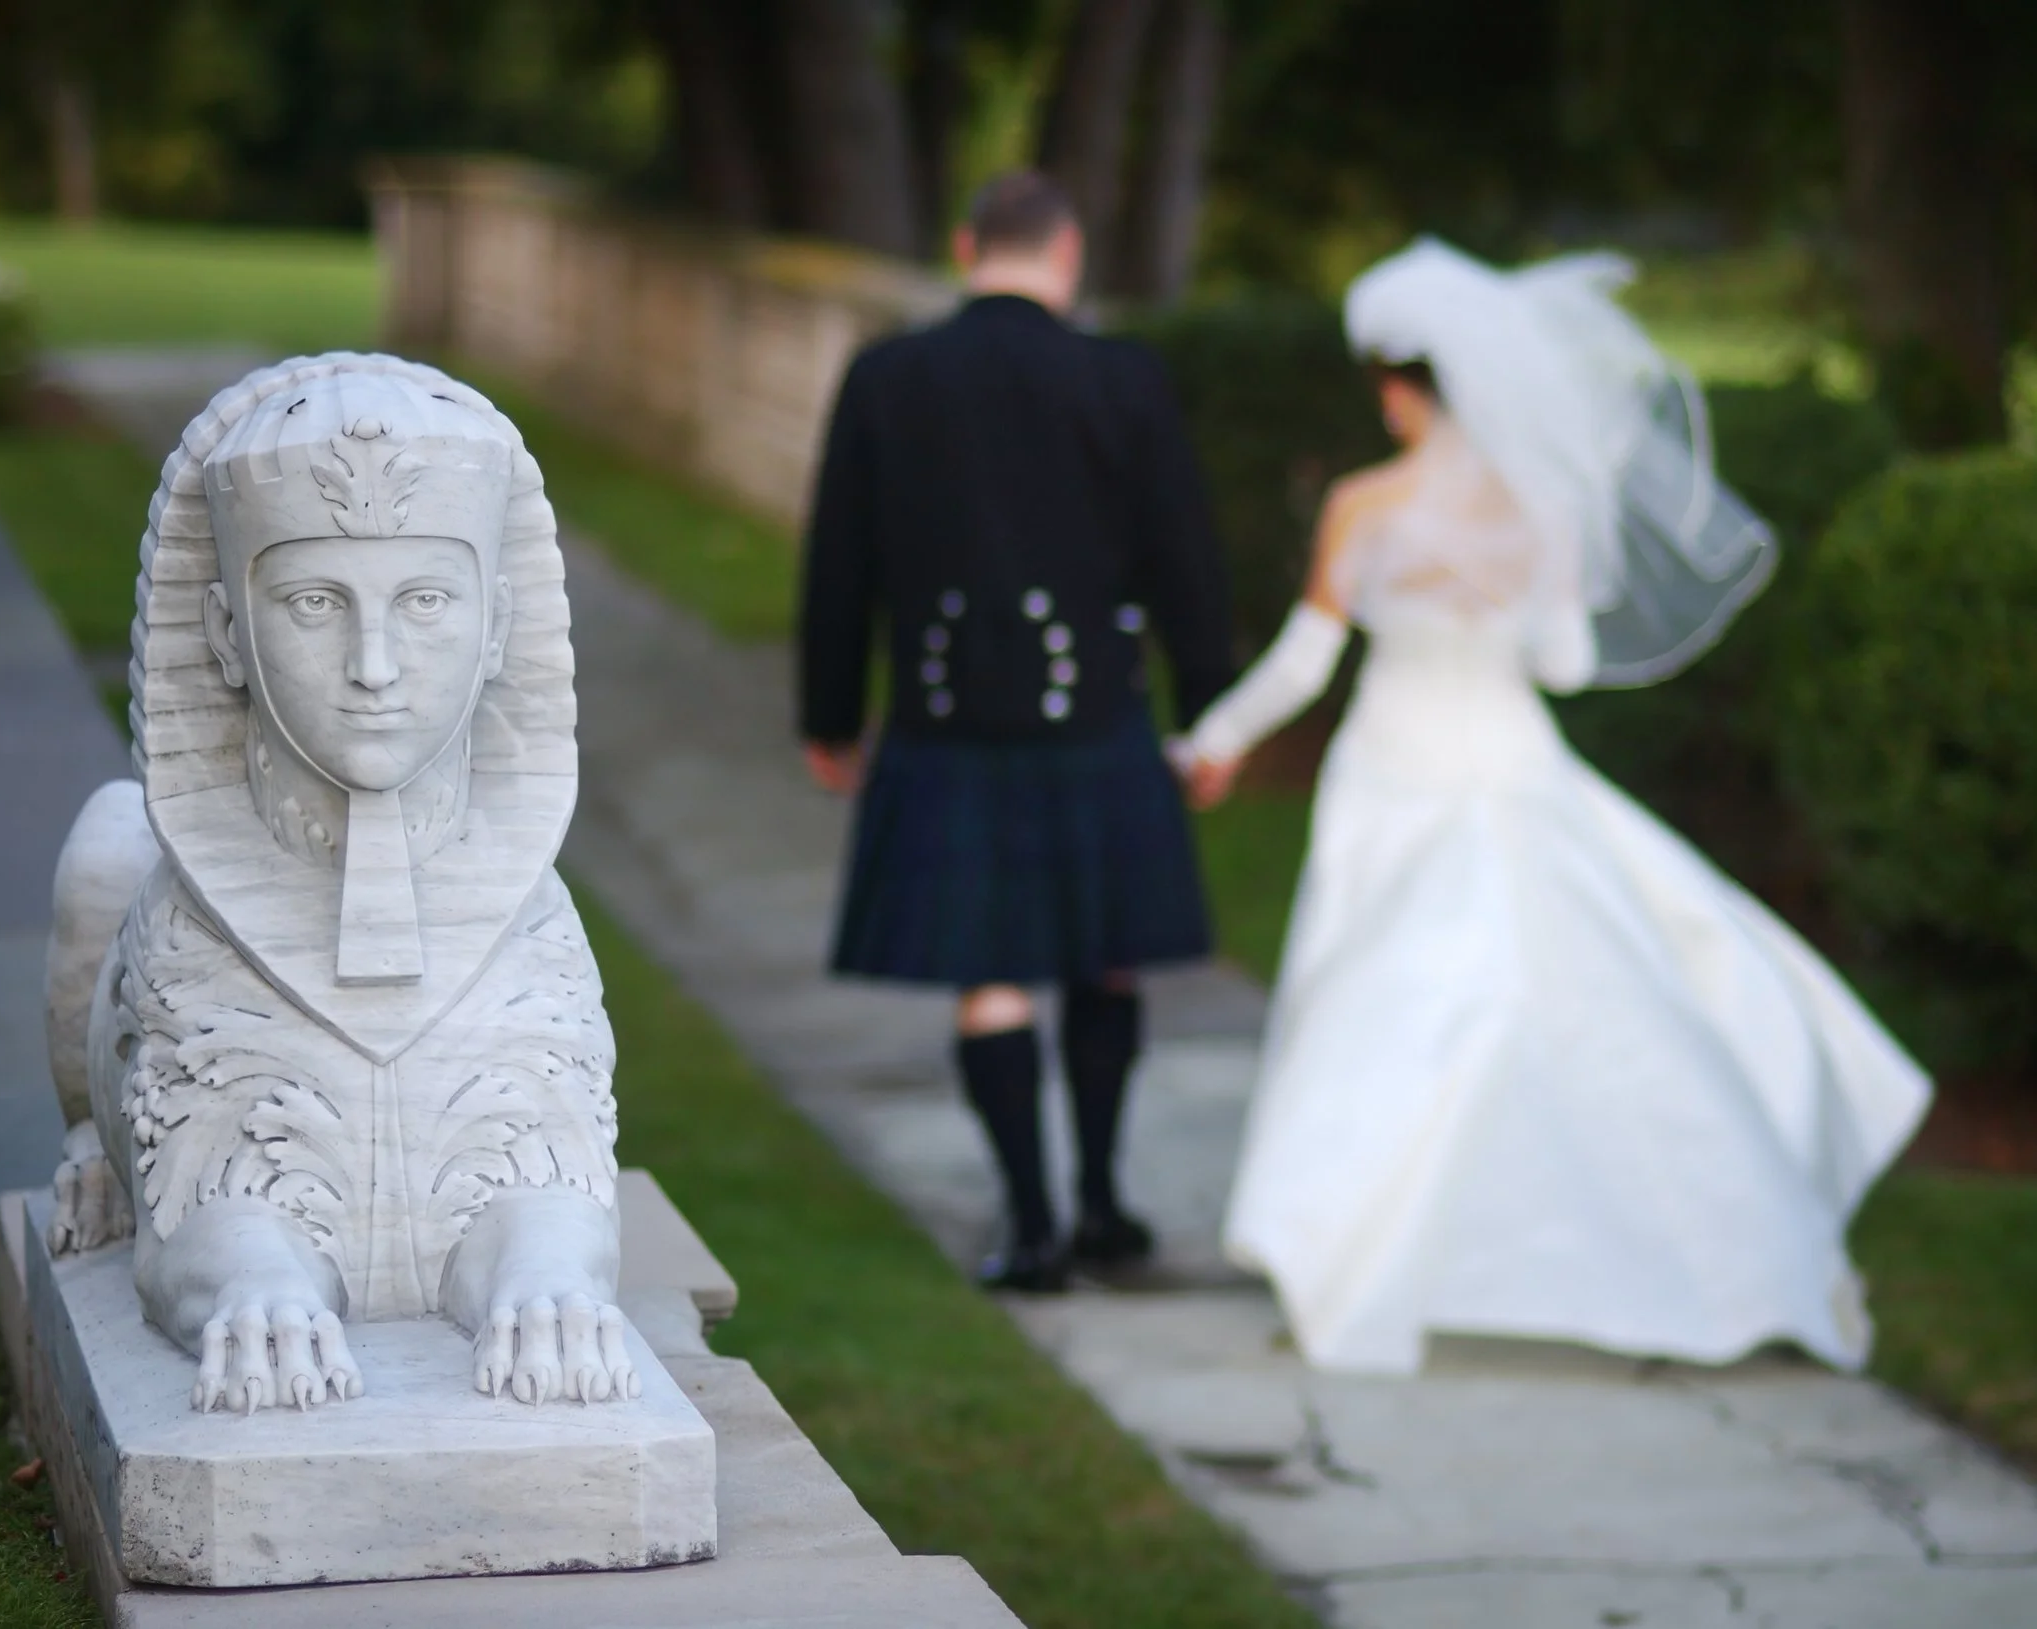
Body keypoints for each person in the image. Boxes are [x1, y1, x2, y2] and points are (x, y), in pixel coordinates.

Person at [1178, 238, 1933, 1374]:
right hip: (1509, 757)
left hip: (1397, 761)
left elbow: (1302, 662)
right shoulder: (1544, 509)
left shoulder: (1361, 506)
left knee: (1386, 1002)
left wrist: (1213, 740)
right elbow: (1568, 664)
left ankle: (1348, 1244)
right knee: (1569, 994)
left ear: (1403, 386)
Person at [796, 171, 1236, 1292]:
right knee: (1107, 959)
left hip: (948, 724)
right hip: (1098, 717)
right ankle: (1101, 1204)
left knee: (989, 970)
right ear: (1067, 254)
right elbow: (1184, 556)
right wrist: (1210, 712)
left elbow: (838, 565)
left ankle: (1030, 1227)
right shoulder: (1122, 378)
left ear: (963, 246)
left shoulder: (890, 377)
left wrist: (832, 716)